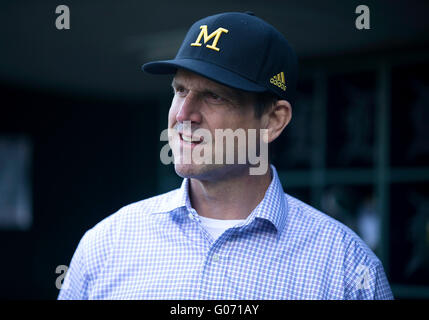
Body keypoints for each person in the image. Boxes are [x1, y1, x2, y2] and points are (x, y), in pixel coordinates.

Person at [58, 11, 393, 300]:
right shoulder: (105, 244)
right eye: (180, 90)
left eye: (214, 96)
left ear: (273, 120)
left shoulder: (346, 266)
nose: (184, 114)